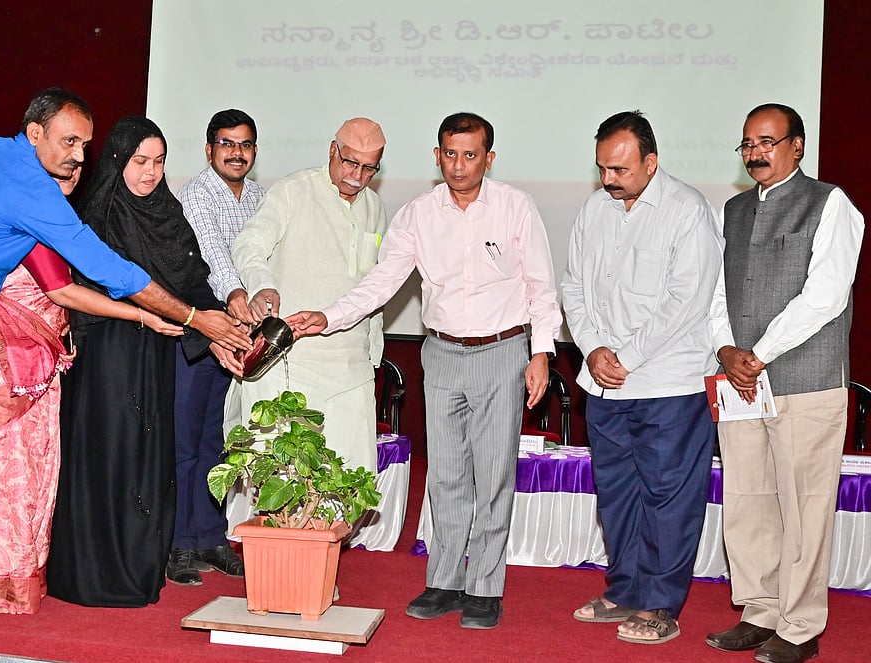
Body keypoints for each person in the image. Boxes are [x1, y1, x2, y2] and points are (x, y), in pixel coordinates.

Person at [0, 90, 249, 629]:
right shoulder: (32, 190)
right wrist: (194, 317)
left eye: (85, 145)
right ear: (34, 133)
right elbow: (106, 267)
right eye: (68, 141)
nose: (77, 154)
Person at [288, 112, 560, 630]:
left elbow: (541, 287)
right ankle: (443, 580)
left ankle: (485, 586)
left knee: (494, 472)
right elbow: (382, 281)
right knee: (448, 473)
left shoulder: (515, 207)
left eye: (471, 155)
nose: (459, 166)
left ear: (489, 158)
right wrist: (329, 316)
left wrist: (541, 352)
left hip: (503, 352)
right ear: (437, 157)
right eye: (450, 154)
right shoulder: (417, 214)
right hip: (440, 354)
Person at [0, 172, 183, 613]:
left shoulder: (51, 221)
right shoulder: (34, 225)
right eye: (60, 165)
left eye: (77, 164)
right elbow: (63, 291)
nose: (73, 172)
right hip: (9, 360)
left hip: (37, 359)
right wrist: (142, 315)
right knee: (5, 472)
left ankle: (10, 577)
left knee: (29, 471)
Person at [47, 116, 241, 607]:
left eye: (158, 162)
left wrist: (216, 330)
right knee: (110, 455)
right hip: (108, 355)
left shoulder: (166, 213)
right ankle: (95, 572)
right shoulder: (98, 213)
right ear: (117, 160)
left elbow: (190, 278)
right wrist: (200, 322)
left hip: (156, 352)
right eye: (139, 162)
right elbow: (115, 284)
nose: (150, 173)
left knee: (148, 459)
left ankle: (138, 565)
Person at [705, 103, 864, 663]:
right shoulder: (733, 209)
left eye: (768, 142)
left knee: (803, 505)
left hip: (806, 379)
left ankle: (800, 625)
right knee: (747, 499)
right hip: (742, 381)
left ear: (798, 145)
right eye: (747, 143)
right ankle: (760, 610)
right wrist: (727, 350)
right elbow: (717, 291)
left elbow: (825, 296)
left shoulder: (830, 203)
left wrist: (759, 353)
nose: (756, 153)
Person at [561, 111, 722, 645]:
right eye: (603, 168)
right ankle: (624, 588)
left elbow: (687, 300)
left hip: (667, 383)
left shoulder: (687, 209)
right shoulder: (594, 208)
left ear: (651, 163)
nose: (609, 179)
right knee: (617, 492)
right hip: (604, 380)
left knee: (667, 495)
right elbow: (575, 286)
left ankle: (660, 603)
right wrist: (592, 347)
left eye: (621, 169)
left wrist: (625, 354)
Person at [229, 117, 388, 476]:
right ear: (333, 151)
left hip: (351, 365)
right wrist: (261, 284)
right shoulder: (293, 190)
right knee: (285, 478)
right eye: (350, 163)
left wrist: (372, 351)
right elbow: (248, 244)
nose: (357, 176)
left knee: (349, 476)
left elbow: (374, 283)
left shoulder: (375, 207)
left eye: (368, 168)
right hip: (293, 362)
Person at [166, 109, 265, 586]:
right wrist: (240, 300)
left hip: (239, 335)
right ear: (209, 150)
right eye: (226, 144)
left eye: (245, 145)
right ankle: (178, 545)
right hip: (199, 333)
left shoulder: (262, 198)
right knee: (184, 443)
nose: (236, 153)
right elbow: (215, 259)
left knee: (218, 442)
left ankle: (210, 536)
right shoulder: (195, 196)